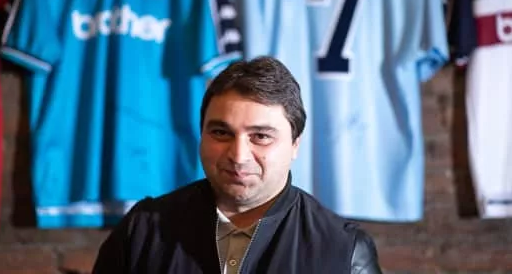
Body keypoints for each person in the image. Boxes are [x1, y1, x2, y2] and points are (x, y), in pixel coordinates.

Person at [92, 56, 383, 273]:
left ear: (295, 144)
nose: (239, 155)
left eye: (261, 136)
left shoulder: (345, 252)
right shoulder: (141, 231)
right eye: (221, 133)